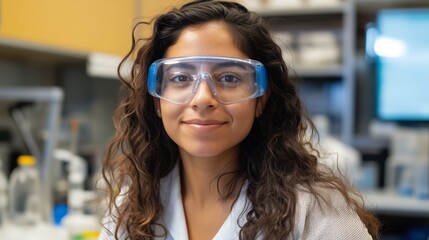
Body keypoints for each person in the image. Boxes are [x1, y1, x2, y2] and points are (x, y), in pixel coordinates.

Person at [98, 0, 380, 239]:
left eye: (229, 78)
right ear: (157, 100)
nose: (202, 98)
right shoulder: (132, 206)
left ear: (261, 99)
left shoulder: (315, 210)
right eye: (181, 78)